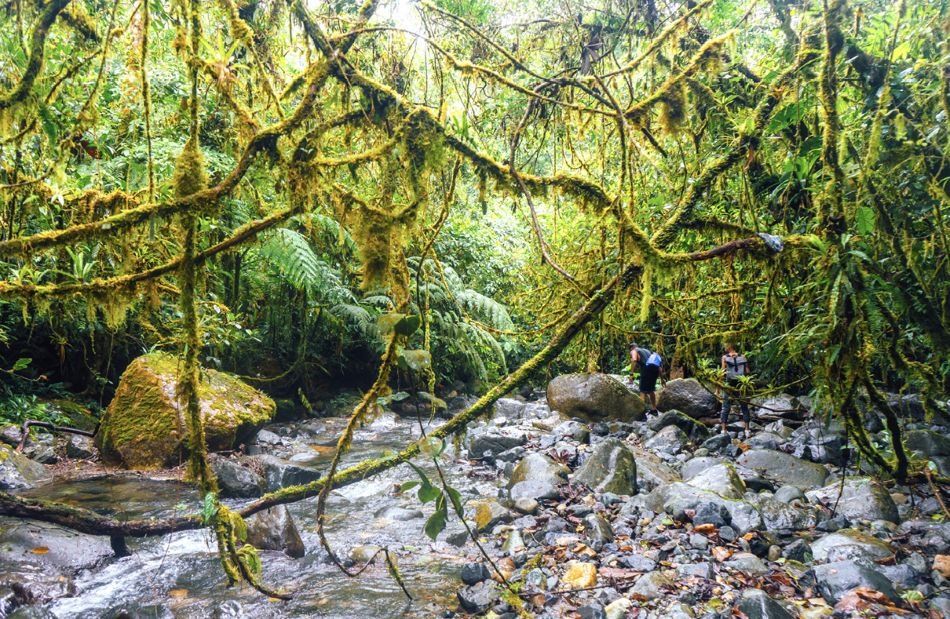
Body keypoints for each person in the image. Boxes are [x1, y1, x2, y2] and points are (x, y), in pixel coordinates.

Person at [718, 342, 751, 437]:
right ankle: (747, 430)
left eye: (725, 345)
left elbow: (722, 372)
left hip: (729, 384)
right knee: (744, 406)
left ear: (729, 346)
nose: (724, 347)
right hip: (741, 384)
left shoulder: (725, 358)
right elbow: (747, 371)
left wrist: (719, 387)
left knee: (725, 406)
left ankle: (724, 430)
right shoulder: (743, 356)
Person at [629, 341, 660, 415]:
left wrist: (631, 374)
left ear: (631, 348)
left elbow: (634, 359)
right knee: (651, 390)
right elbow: (656, 363)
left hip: (646, 370)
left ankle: (641, 412)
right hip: (655, 370)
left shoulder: (634, 351)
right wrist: (662, 379)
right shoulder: (647, 351)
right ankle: (654, 409)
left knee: (642, 391)